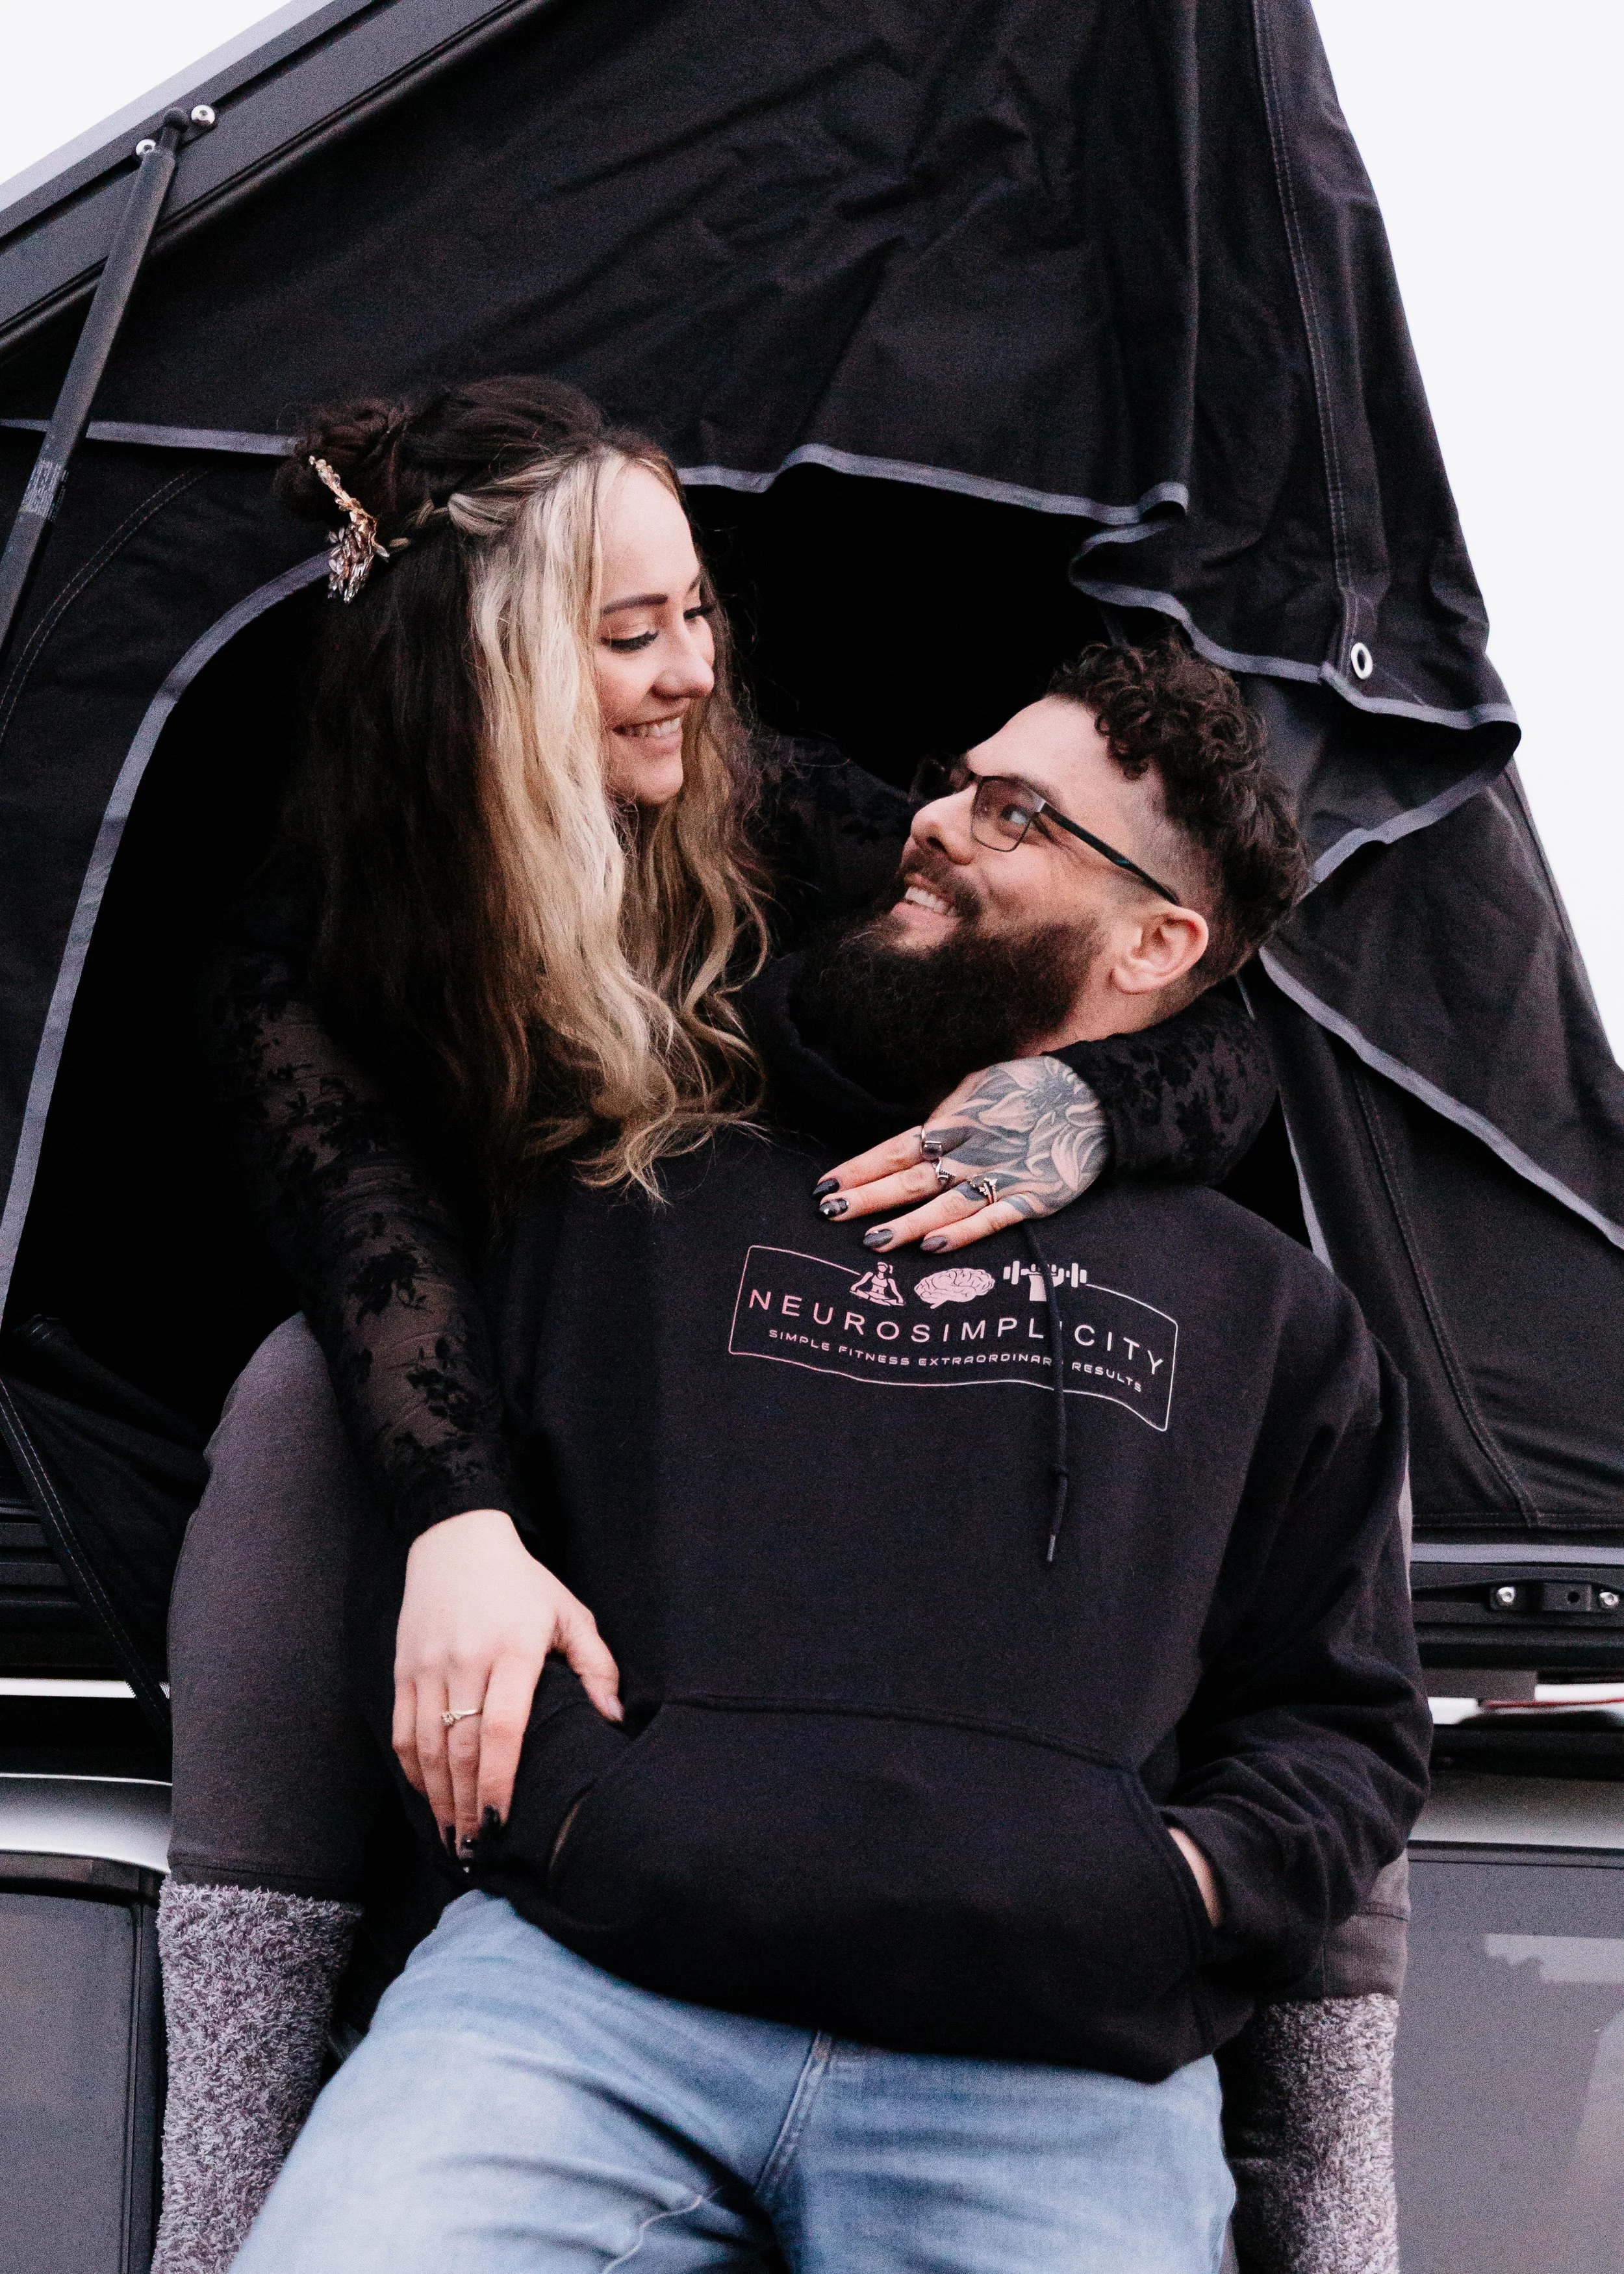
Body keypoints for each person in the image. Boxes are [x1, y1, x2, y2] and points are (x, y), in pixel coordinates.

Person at [153, 384, 1277, 2273]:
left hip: (747, 1358)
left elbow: (1186, 997)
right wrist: (458, 1516)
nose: (691, 668)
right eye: (630, 632)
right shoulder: (313, 949)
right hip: (503, 1393)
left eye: (698, 612)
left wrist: (1076, 1114)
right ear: (494, 672)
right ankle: (232, 2161)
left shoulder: (751, 810)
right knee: (290, 1407)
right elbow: (381, 1256)